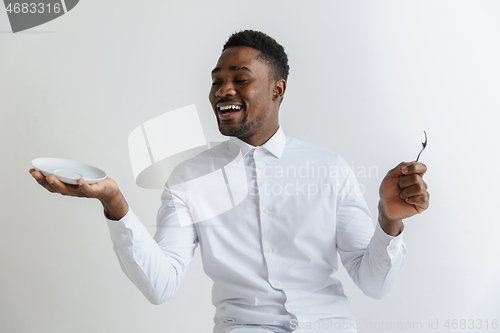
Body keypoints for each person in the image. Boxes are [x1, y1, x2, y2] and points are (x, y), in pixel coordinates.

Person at [29, 30, 429, 333]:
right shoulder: (190, 179)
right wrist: (114, 202)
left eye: (240, 79)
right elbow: (160, 285)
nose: (223, 90)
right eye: (217, 79)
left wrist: (388, 222)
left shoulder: (329, 169)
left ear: (278, 89)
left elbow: (373, 283)